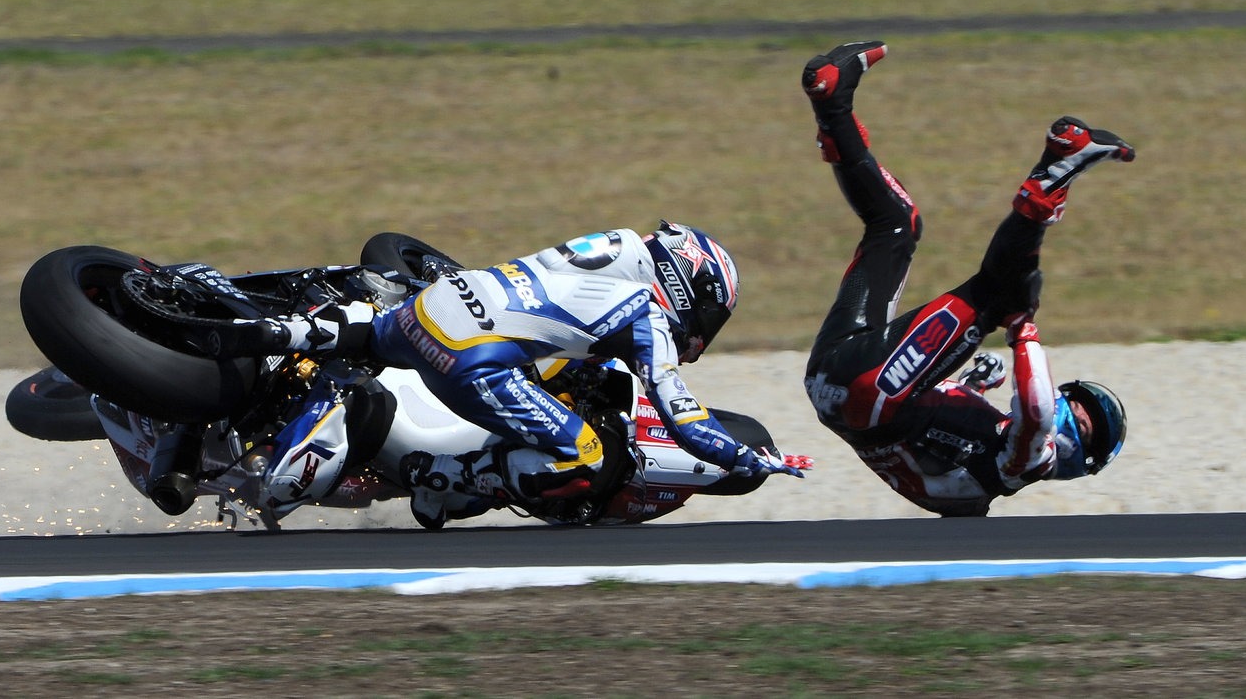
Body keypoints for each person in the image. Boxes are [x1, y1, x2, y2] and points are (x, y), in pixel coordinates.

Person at [215, 223, 805, 528]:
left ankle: (275, 331)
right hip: (474, 366)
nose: (702, 332)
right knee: (585, 457)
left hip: (438, 303)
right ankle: (433, 477)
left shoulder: (606, 251)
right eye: (707, 316)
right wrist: (745, 459)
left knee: (369, 321)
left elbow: (546, 322)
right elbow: (682, 415)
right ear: (684, 291)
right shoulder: (647, 315)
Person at [798, 39, 1132, 516]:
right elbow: (935, 437)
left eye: (1085, 421)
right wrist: (973, 386)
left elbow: (1035, 414)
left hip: (869, 396)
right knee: (896, 223)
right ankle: (833, 105)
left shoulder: (1024, 466)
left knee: (1001, 294)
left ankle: (1056, 169)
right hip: (829, 379)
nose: (1072, 409)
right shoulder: (993, 454)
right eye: (1077, 403)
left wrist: (1024, 332)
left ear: (1080, 456)